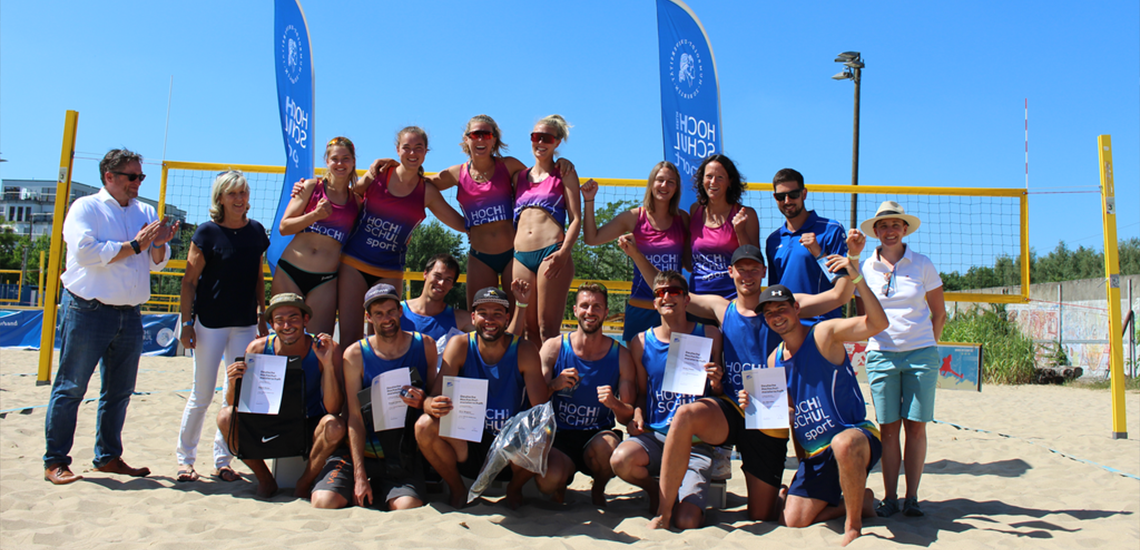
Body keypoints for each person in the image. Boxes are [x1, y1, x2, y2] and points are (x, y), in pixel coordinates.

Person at [643, 242, 862, 529]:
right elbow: (669, 291)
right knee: (685, 415)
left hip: (768, 410)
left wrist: (852, 258)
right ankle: (664, 512)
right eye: (741, 269)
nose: (747, 275)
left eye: (753, 269)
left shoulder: (784, 304)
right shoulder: (722, 307)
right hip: (732, 406)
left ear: (763, 272)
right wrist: (636, 255)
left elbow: (839, 295)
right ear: (731, 272)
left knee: (761, 515)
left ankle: (790, 495)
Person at [44, 148, 178, 485]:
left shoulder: (145, 210)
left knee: (119, 391)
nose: (138, 182)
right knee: (71, 387)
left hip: (130, 313)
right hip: (87, 309)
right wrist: (136, 245)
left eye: (141, 176)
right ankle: (55, 461)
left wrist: (158, 244)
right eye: (132, 176)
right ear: (109, 176)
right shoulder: (86, 207)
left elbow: (156, 263)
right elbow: (86, 253)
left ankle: (108, 457)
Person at [747, 269, 888, 547]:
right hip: (817, 453)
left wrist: (857, 280)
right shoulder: (774, 359)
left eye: (782, 309)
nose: (776, 316)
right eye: (769, 313)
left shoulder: (824, 334)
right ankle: (861, 501)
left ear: (796, 309)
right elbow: (791, 416)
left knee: (842, 443)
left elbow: (878, 323)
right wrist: (754, 405)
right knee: (792, 520)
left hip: (855, 436)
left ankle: (853, 526)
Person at [414, 283, 569, 509]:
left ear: (507, 319)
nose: (490, 320)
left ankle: (514, 488)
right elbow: (435, 396)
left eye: (497, 314)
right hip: (469, 441)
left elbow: (540, 408)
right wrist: (429, 404)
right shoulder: (459, 345)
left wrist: (551, 386)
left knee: (543, 432)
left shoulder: (524, 350)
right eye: (483, 313)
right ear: (473, 317)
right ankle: (457, 488)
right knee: (424, 426)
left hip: (510, 443)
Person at [609, 271, 726, 525]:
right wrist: (637, 414)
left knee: (687, 521)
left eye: (674, 291)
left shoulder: (709, 335)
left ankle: (680, 498)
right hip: (657, 437)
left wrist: (717, 382)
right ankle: (657, 493)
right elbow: (642, 394)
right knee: (621, 460)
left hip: (695, 443)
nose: (667, 297)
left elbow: (719, 395)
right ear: (654, 302)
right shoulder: (641, 342)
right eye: (660, 293)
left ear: (686, 299)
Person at [176, 170, 269, 483]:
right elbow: (189, 282)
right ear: (220, 198)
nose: (239, 199)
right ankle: (185, 460)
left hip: (244, 324)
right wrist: (186, 323)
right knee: (202, 394)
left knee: (236, 395)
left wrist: (262, 313)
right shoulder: (206, 232)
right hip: (210, 324)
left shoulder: (256, 231)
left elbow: (258, 277)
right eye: (232, 193)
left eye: (243, 192)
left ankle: (223, 460)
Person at [856, 201, 946, 518]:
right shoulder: (865, 267)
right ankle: (890, 497)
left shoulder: (922, 264)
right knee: (889, 430)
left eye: (895, 225)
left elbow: (939, 313)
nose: (890, 231)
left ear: (905, 229)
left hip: (920, 354)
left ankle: (912, 498)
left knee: (916, 428)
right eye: (883, 226)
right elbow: (863, 316)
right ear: (876, 232)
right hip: (882, 355)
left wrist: (926, 344)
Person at [336, 127, 466, 348]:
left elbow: (461, 224)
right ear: (397, 149)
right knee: (350, 339)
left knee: (385, 341)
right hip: (354, 262)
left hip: (389, 269)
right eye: (407, 147)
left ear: (426, 151)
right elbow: (344, 197)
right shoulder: (378, 175)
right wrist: (309, 190)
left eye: (418, 148)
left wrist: (494, 221)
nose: (412, 153)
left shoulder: (426, 191)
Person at [310, 283, 436, 510]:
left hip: (401, 453)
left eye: (390, 311)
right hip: (362, 450)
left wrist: (423, 400)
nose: (386, 319)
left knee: (407, 507)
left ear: (400, 311)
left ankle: (382, 487)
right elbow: (355, 417)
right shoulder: (355, 354)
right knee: (324, 502)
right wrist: (359, 475)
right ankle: (361, 481)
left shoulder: (425, 345)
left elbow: (434, 398)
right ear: (368, 317)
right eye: (378, 314)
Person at [215, 293, 345, 498]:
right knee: (225, 416)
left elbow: (334, 408)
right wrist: (233, 382)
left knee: (335, 425)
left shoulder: (325, 349)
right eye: (279, 320)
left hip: (309, 422)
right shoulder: (258, 348)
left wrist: (327, 365)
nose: (287, 325)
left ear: (305, 320)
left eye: (293, 318)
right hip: (270, 422)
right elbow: (236, 403)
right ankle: (265, 479)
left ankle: (304, 482)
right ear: (272, 324)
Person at [540, 283, 636, 506]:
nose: (590, 312)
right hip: (558, 434)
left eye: (597, 307)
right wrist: (553, 385)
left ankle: (598, 488)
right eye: (584, 306)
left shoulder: (621, 355)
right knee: (547, 482)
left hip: (596, 434)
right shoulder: (554, 348)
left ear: (606, 312)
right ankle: (560, 487)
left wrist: (614, 403)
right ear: (575, 310)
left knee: (609, 449)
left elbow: (627, 416)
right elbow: (533, 401)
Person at [581, 161, 689, 343]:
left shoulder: (683, 218)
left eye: (670, 182)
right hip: (641, 308)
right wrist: (589, 200)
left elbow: (689, 263)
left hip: (673, 308)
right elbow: (592, 238)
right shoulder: (634, 217)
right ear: (651, 183)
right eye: (660, 180)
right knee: (635, 362)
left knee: (675, 362)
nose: (664, 185)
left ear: (676, 188)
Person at [273, 136, 361, 336]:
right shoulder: (311, 187)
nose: (340, 163)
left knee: (318, 343)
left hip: (325, 280)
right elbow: (284, 227)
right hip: (290, 272)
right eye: (335, 159)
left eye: (345, 158)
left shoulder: (356, 202)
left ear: (353, 162)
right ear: (327, 161)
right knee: (286, 339)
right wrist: (315, 215)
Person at [512, 115, 582, 343]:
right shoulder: (519, 177)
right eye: (536, 137)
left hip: (551, 252)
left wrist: (564, 253)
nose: (540, 142)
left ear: (557, 142)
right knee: (527, 332)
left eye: (547, 138)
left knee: (547, 330)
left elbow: (576, 219)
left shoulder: (564, 173)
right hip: (521, 257)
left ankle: (553, 369)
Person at [765, 168, 852, 323]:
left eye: (793, 194)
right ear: (775, 197)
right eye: (781, 196)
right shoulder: (773, 240)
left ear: (804, 194)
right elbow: (775, 290)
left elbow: (842, 284)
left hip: (821, 324)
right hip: (786, 326)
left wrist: (819, 253)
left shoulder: (831, 229)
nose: (787, 201)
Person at [688, 154, 759, 307]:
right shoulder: (695, 210)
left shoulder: (746, 214)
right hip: (698, 300)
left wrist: (740, 231)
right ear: (702, 179)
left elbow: (754, 262)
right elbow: (688, 261)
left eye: (720, 177)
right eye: (709, 176)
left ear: (730, 181)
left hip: (732, 300)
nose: (713, 182)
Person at [400, 253, 475, 366]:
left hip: (439, 377)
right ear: (425, 274)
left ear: (452, 285)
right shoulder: (397, 312)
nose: (441, 283)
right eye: (437, 276)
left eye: (448, 279)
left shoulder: (460, 319)